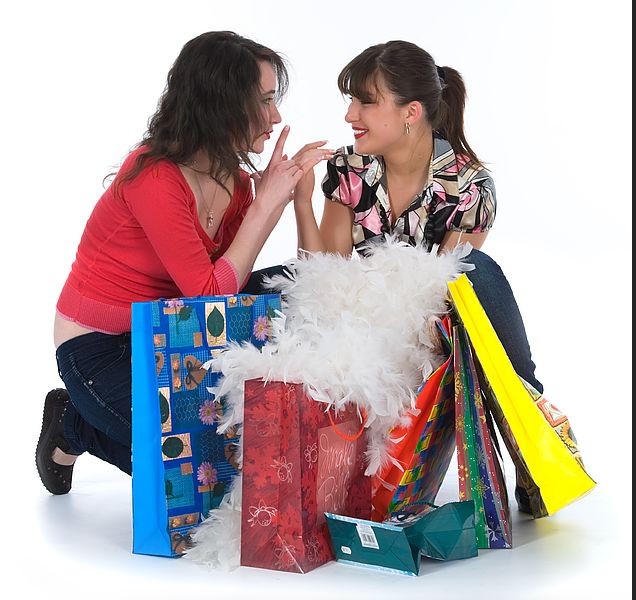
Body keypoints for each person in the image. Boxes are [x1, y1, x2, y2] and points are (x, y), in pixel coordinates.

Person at [37, 31, 333, 495]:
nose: (276, 117)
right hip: (100, 347)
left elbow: (232, 285)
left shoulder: (233, 180)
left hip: (170, 329)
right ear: (222, 104)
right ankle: (71, 424)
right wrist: (264, 205)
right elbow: (211, 293)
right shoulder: (154, 176)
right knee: (195, 476)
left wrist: (291, 199)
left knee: (293, 284)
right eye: (265, 101)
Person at [290, 41, 542, 512]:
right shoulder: (350, 170)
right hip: (357, 324)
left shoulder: (468, 187)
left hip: (433, 332)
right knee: (268, 281)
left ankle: (531, 437)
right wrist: (301, 202)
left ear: (411, 112)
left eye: (365, 100)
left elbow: (443, 296)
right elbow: (321, 277)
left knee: (478, 273)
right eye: (350, 100)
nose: (350, 114)